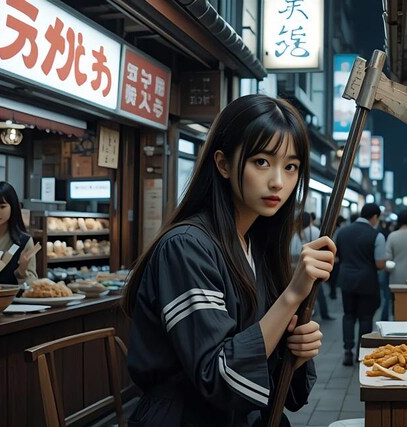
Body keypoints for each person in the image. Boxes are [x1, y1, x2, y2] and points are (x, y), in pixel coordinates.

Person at [121, 95, 334, 426]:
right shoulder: (185, 247)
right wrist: (292, 295)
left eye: (290, 167)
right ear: (222, 164)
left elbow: (285, 390)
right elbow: (216, 376)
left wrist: (295, 349)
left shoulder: (256, 247)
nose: (278, 181)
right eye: (261, 161)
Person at [334, 203, 387, 366]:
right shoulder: (377, 235)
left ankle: (347, 352)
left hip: (346, 280)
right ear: (375, 217)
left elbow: (336, 257)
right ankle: (361, 352)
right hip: (367, 282)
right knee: (365, 318)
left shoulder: (342, 232)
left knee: (348, 316)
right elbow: (380, 264)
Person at [296, 212, 332, 321]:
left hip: (297, 266)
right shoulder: (315, 231)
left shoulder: (295, 233)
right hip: (314, 264)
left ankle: (302, 314)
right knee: (318, 292)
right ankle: (323, 313)